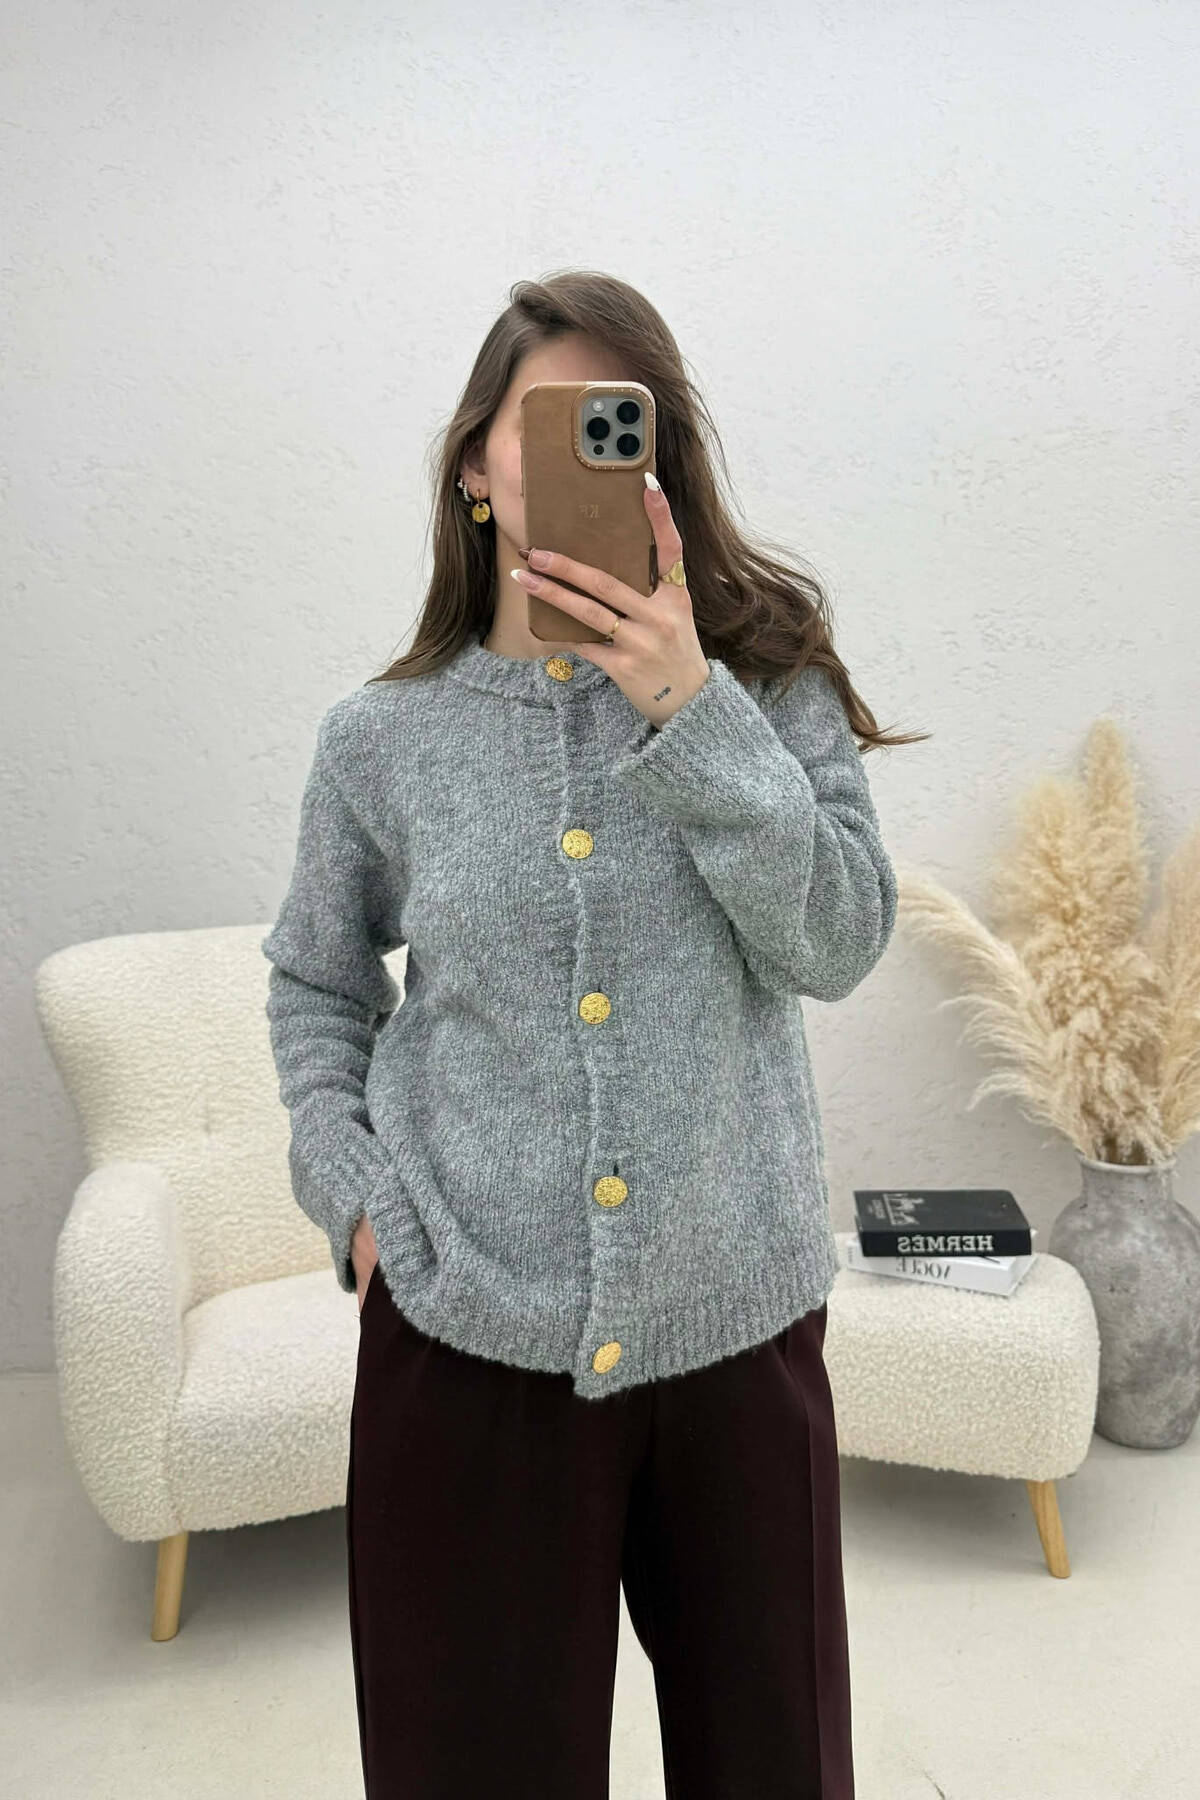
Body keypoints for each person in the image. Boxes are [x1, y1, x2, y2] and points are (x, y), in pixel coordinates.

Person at [262, 270, 924, 1800]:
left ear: (661, 460)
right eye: (545, 421)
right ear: (476, 467)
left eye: (619, 424)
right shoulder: (381, 738)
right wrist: (358, 1203)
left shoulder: (766, 681)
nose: (582, 450)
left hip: (738, 1329)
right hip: (466, 1331)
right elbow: (316, 986)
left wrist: (692, 709)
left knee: (774, 1766)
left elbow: (837, 940)